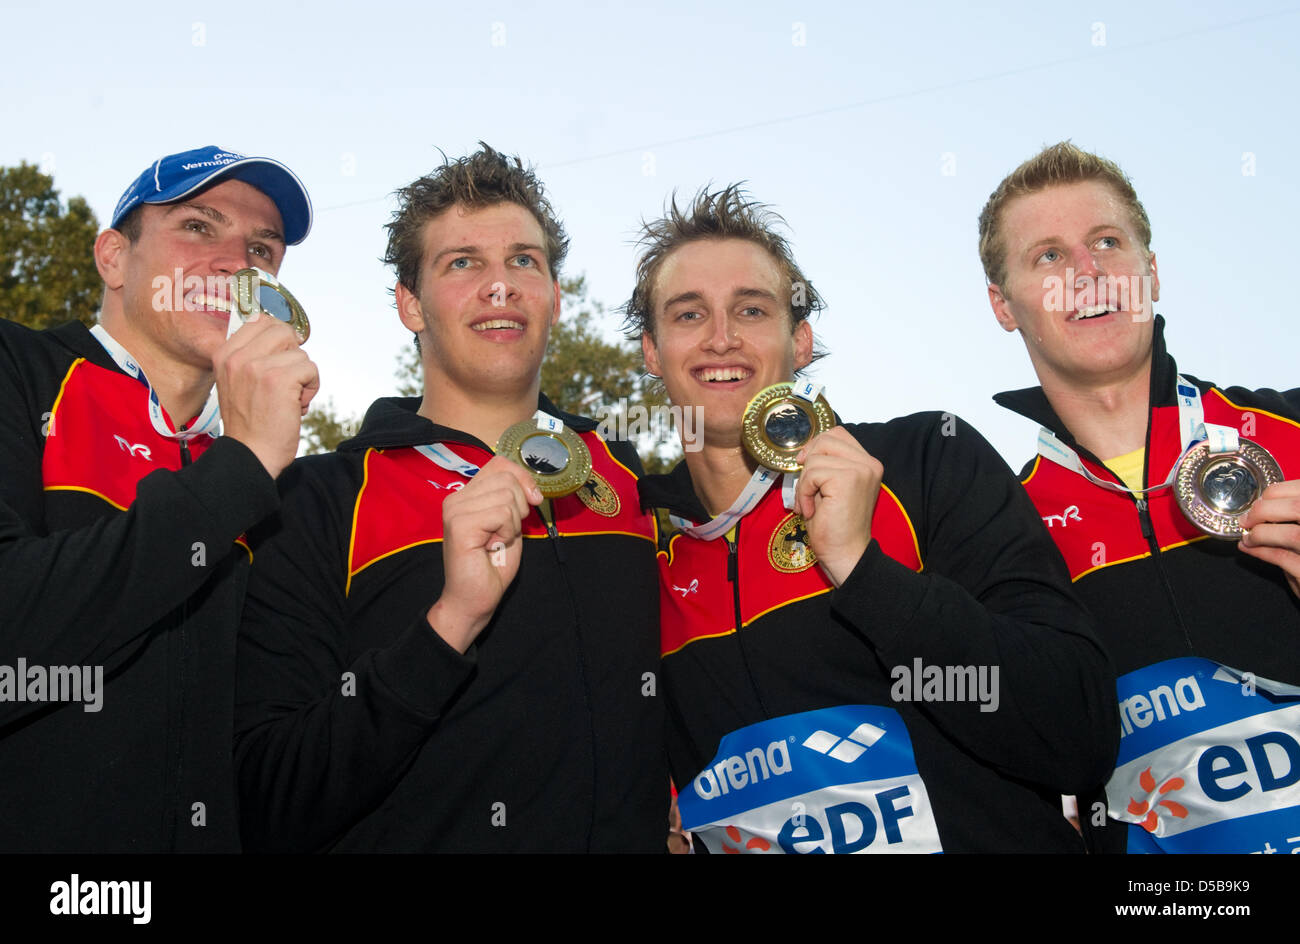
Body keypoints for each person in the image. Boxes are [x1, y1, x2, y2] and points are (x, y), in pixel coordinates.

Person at [628, 185, 1117, 853]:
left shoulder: (924, 460)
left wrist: (866, 573)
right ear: (652, 353)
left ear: (798, 340)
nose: (721, 337)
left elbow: (1078, 734)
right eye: (688, 315)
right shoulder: (636, 557)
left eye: (751, 309)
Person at [234, 144, 666, 852]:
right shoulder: (318, 499)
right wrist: (448, 625)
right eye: (462, 262)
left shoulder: (624, 476)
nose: (501, 286)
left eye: (524, 260)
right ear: (410, 304)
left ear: (556, 296)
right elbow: (267, 795)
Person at [982, 141, 1300, 853]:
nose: (1088, 274)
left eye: (1106, 243)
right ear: (1003, 305)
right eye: (1049, 257)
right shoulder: (996, 530)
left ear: (1149, 272)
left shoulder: (1292, 429)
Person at [0, 144, 317, 851]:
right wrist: (239, 469)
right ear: (113, 257)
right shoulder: (18, 372)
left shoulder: (282, 477)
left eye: (262, 249)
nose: (237, 261)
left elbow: (276, 753)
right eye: (199, 227)